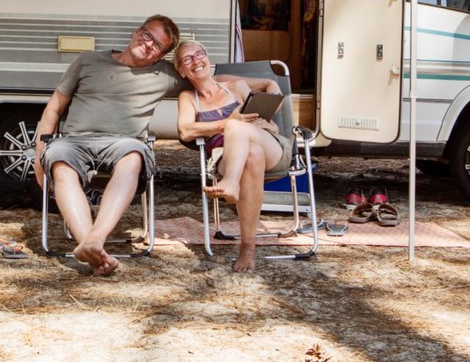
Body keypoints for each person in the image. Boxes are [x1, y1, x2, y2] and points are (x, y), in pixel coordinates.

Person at [33, 14, 182, 276]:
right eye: (148, 35)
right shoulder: (88, 60)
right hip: (75, 141)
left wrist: (258, 86)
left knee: (135, 155)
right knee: (59, 160)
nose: (148, 44)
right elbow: (53, 109)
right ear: (137, 31)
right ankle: (89, 246)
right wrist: (38, 157)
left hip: (123, 143)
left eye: (157, 45)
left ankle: (93, 242)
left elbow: (206, 80)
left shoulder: (165, 74)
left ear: (160, 56)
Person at [173, 40, 290, 273]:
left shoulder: (234, 85)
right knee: (250, 152)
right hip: (227, 155)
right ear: (181, 70)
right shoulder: (188, 97)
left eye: (200, 54)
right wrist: (225, 124)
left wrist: (269, 107)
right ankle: (248, 248)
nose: (196, 61)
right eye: (188, 59)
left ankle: (230, 183)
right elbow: (185, 131)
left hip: (271, 146)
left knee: (238, 129)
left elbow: (269, 92)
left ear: (207, 58)